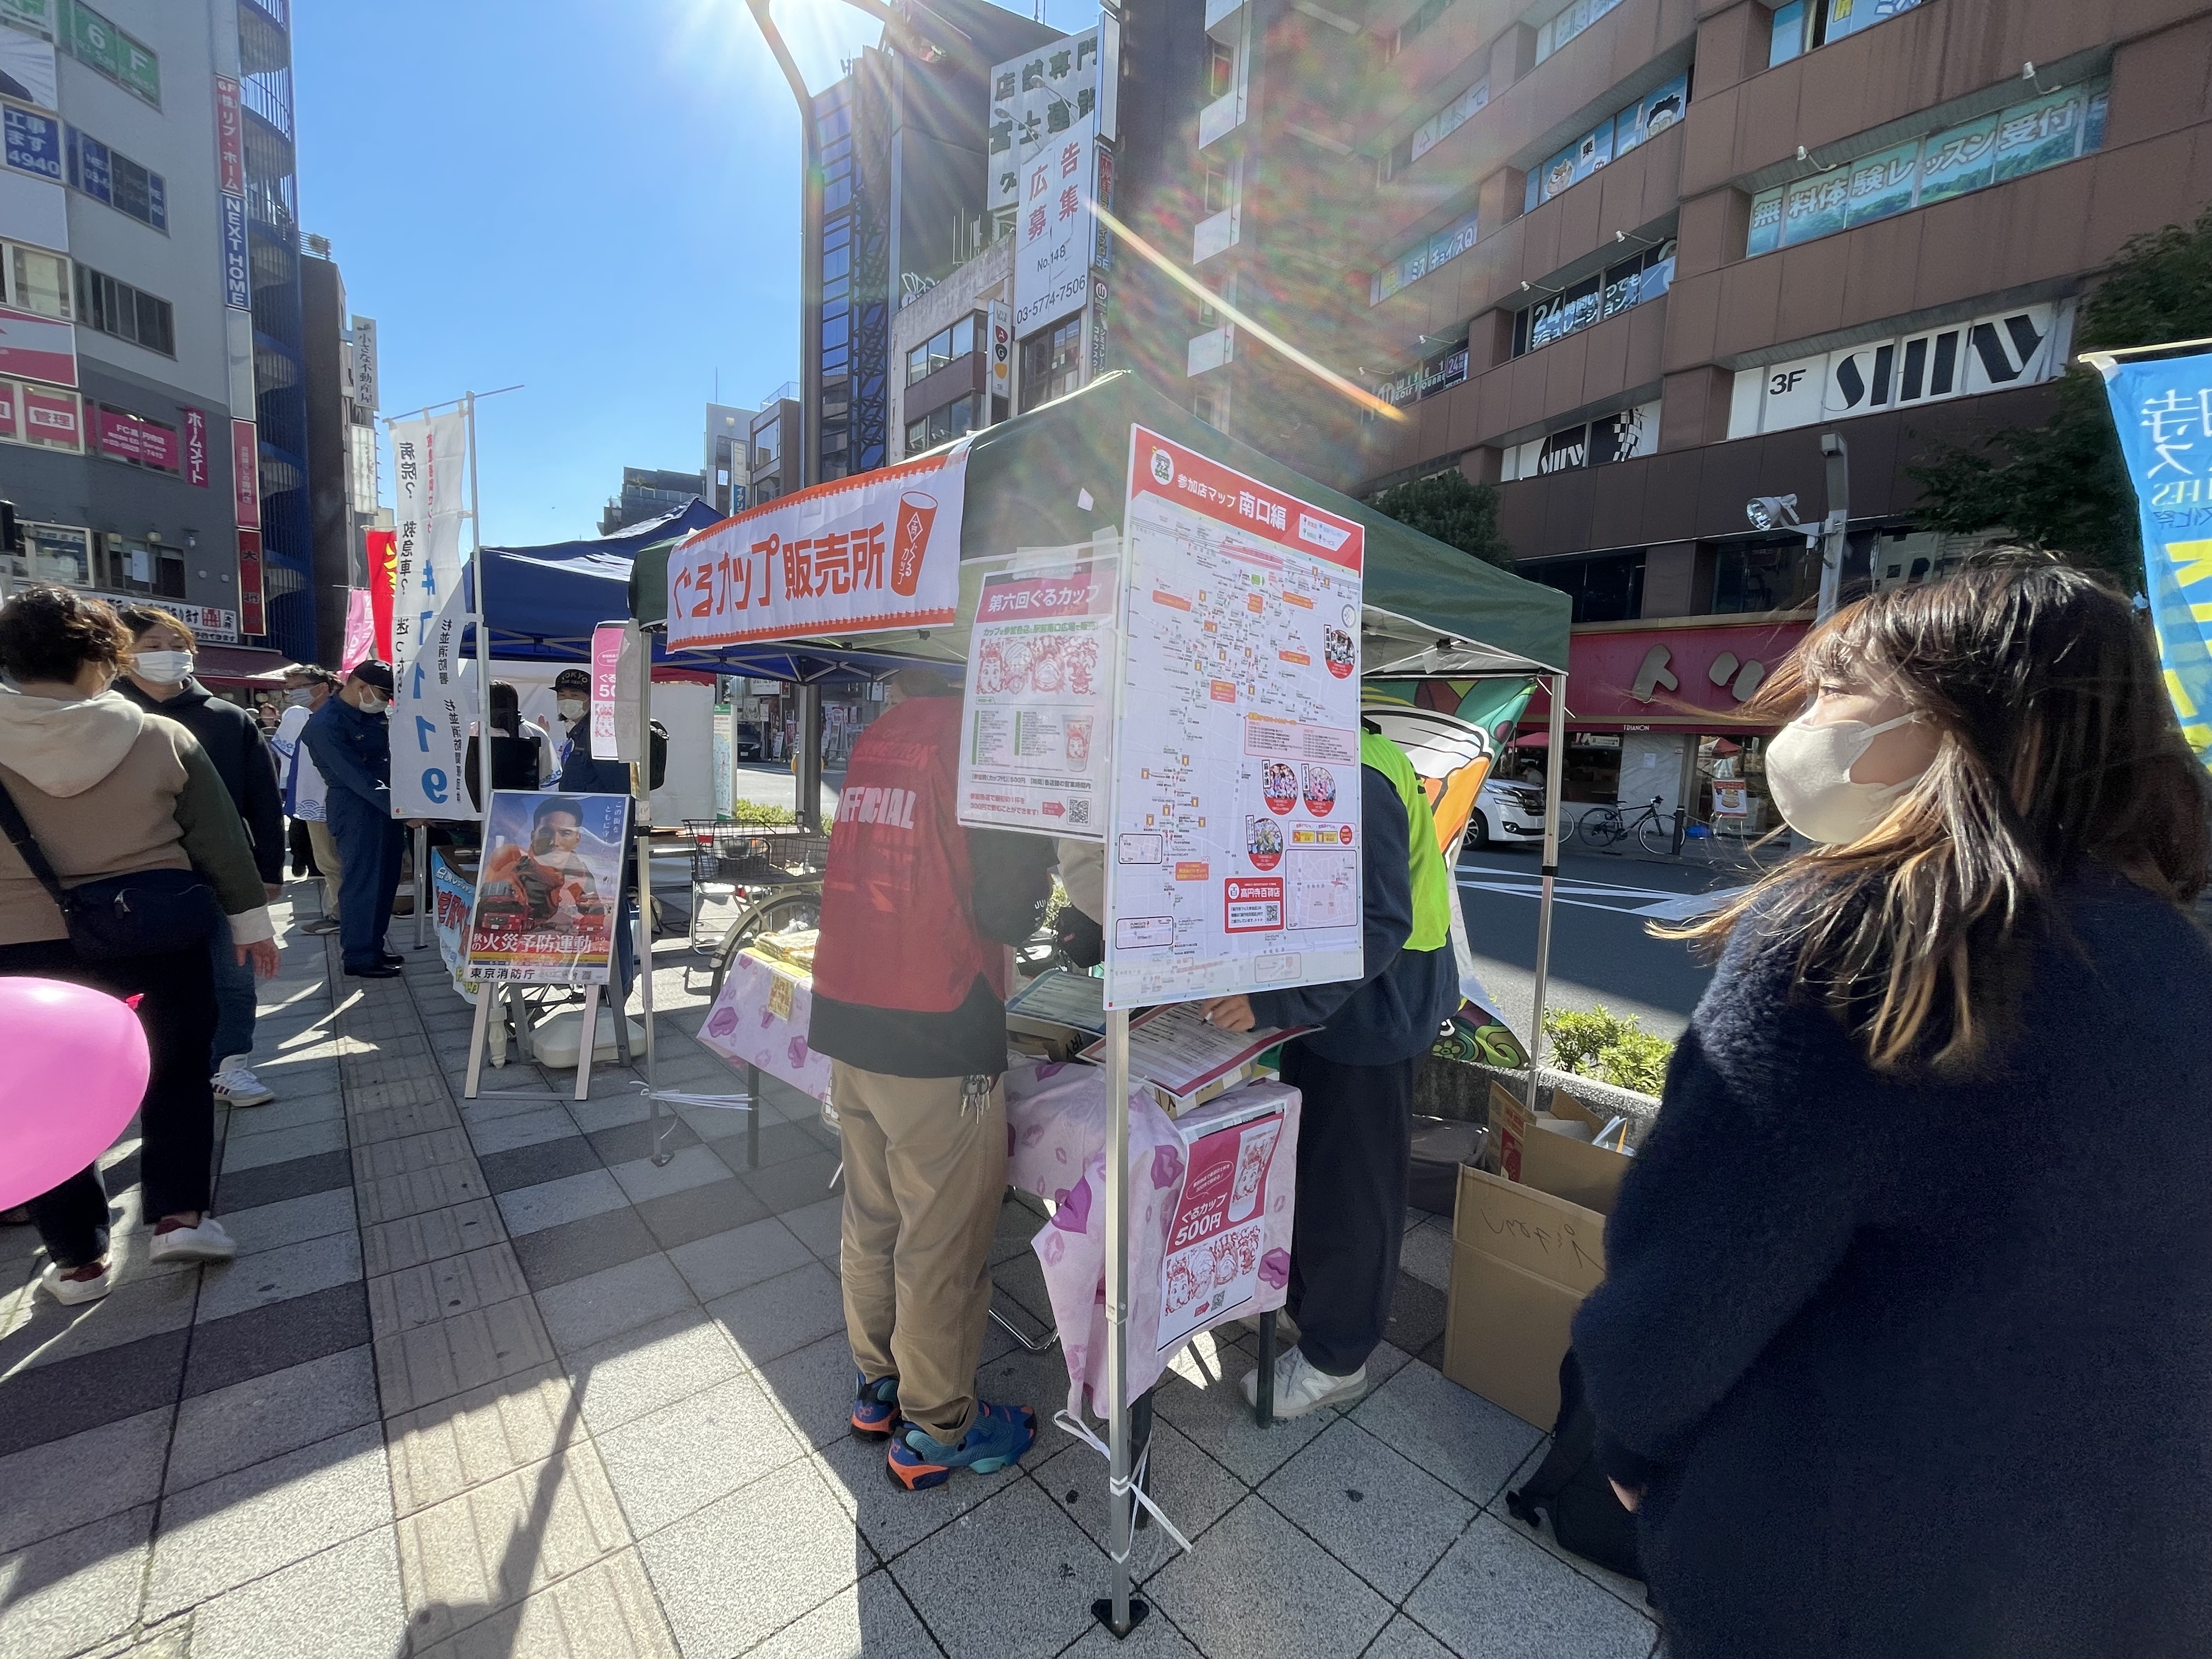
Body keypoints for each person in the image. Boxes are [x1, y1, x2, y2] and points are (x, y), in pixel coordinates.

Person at [1573, 557, 2212, 1659]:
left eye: (1836, 691)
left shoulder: (1866, 938)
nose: (1804, 721)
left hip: (1836, 1574)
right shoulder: (2178, 957)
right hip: (2123, 1588)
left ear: (1956, 725)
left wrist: (1628, 1445)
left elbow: (1685, 1293)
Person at [808, 664, 1057, 1491]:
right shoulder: (986, 738)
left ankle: (877, 1385)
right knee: (941, 1239)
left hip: (849, 1004)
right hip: (937, 1018)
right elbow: (1009, 906)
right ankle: (940, 1426)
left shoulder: (881, 734)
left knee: (872, 1216)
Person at [0, 586, 280, 1304]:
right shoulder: (158, 735)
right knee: (177, 1071)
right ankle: (179, 1218)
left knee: (43, 1096)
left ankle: (78, 1262)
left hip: (23, 952)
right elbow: (220, 842)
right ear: (106, 656)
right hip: (155, 934)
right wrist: (252, 924)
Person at [1203, 724, 1458, 1417]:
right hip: (1329, 1008)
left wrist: (1270, 1002)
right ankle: (1311, 1310)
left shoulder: (1357, 769)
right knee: (1313, 1167)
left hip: (1377, 1007)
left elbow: (1379, 921)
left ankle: (1338, 1357)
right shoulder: (1317, 749)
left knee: (1354, 1190)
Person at [112, 607, 286, 1108]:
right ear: (124, 654)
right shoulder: (106, 719)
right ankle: (145, 1069)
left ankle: (232, 1063)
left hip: (221, 873)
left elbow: (263, 801)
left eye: (177, 644)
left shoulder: (228, 719)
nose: (169, 655)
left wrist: (269, 871)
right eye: (152, 646)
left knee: (234, 972)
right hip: (135, 877)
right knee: (146, 985)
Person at [302, 659, 407, 979]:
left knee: (386, 879)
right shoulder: (326, 724)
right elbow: (356, 778)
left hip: (385, 805)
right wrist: (404, 810)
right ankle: (359, 956)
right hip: (356, 807)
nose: (384, 701)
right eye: (382, 693)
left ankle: (373, 946)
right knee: (363, 882)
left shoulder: (367, 715)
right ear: (360, 685)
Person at [270, 664, 342, 935]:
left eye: (297, 688)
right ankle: (336, 912)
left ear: (322, 687)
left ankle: (340, 916)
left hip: (328, 799)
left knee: (331, 862)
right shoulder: (315, 716)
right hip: (315, 798)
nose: (292, 695)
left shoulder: (329, 717)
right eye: (289, 689)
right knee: (328, 862)